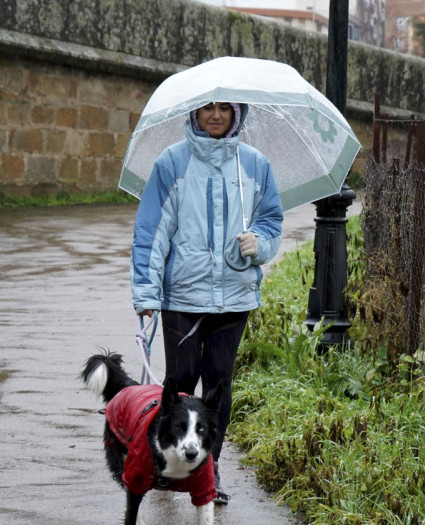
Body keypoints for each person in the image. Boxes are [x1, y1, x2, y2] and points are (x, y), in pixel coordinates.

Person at [130, 101, 283, 503]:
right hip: (183, 295)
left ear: (238, 113)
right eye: (207, 108)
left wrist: (260, 243)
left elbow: (271, 221)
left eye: (224, 109)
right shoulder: (172, 163)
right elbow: (151, 230)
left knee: (218, 386)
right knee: (179, 383)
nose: (215, 115)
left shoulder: (253, 164)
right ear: (193, 113)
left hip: (234, 297)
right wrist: (146, 292)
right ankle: (167, 464)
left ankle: (206, 474)